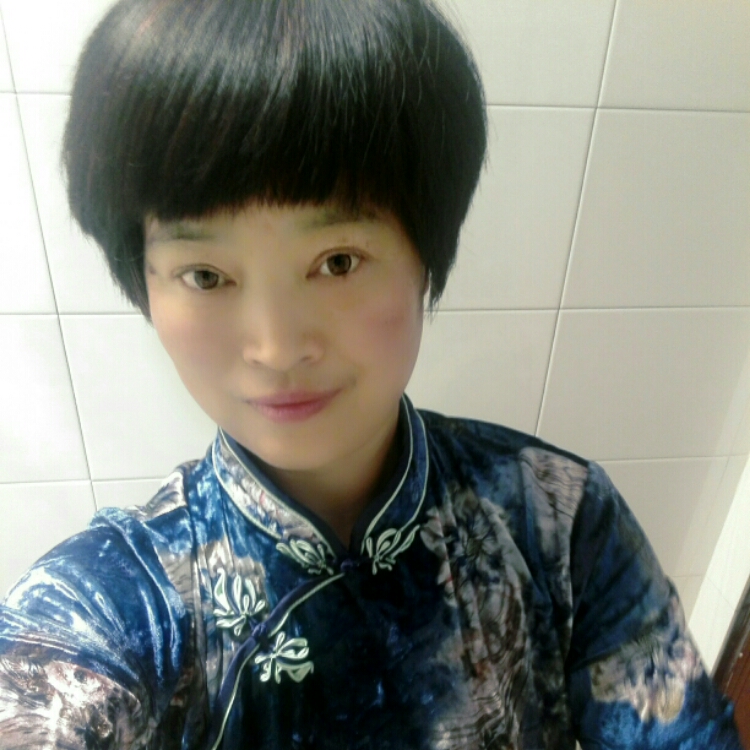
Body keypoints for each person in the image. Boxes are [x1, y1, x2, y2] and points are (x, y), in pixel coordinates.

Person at [0, 0, 743, 747]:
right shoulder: (122, 599)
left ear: (425, 255)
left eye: (337, 262)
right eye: (205, 275)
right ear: (146, 284)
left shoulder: (556, 517)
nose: (276, 346)